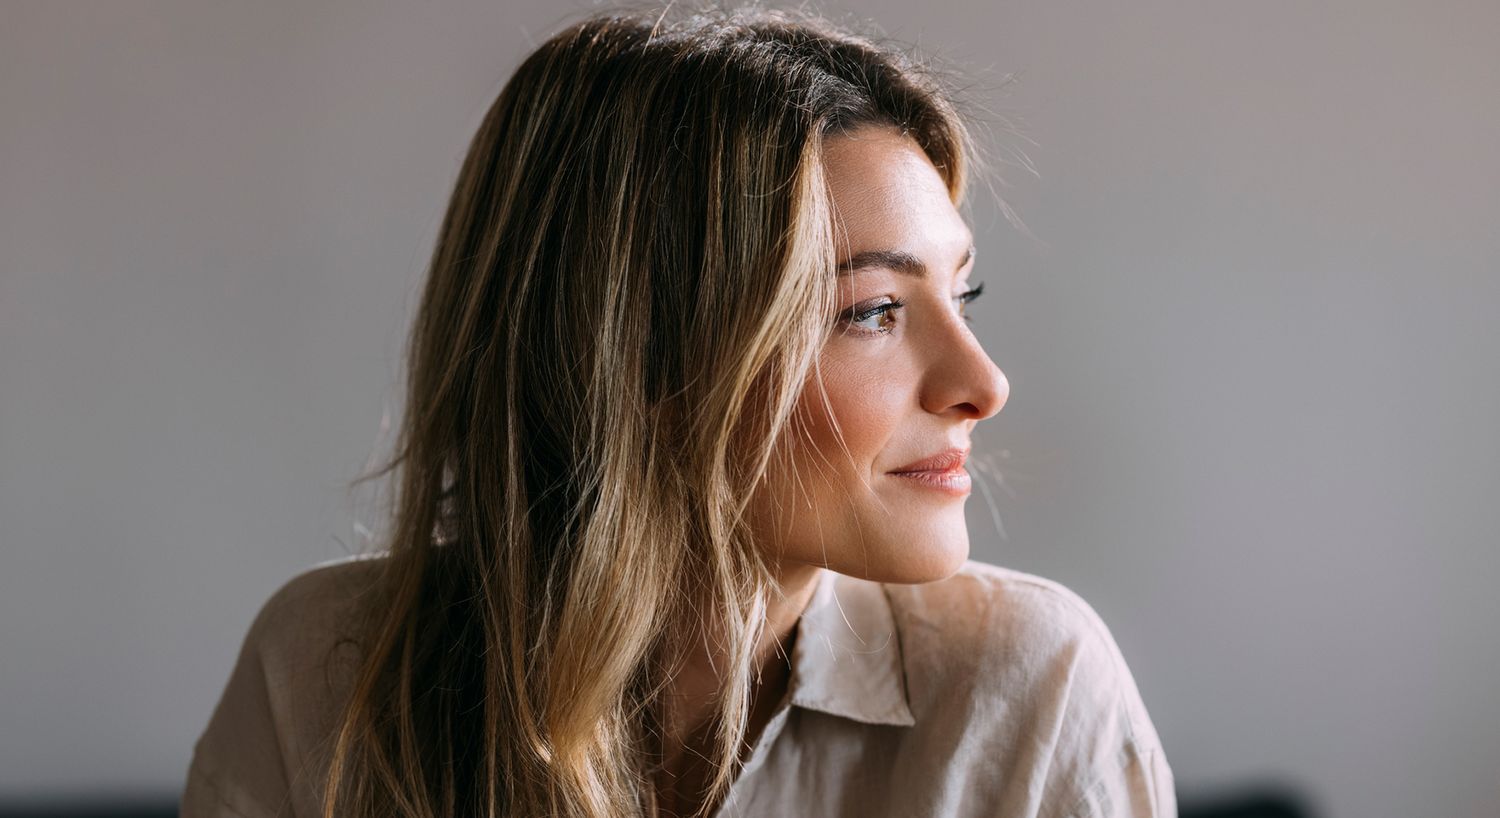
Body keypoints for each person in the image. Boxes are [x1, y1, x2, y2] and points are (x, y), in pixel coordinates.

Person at [181, 6, 1175, 818]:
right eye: (873, 310)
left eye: (961, 296)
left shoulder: (1029, 690)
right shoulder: (326, 677)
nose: (983, 383)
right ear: (634, 355)